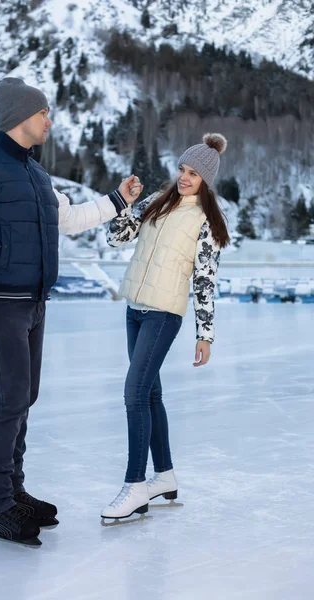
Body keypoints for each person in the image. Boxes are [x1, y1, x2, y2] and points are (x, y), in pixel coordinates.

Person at [0, 77, 143, 545]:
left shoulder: (36, 174)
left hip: (33, 302)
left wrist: (118, 201)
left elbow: (67, 220)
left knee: (23, 399)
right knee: (8, 400)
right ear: (20, 118)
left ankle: (14, 488)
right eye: (44, 114)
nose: (49, 121)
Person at [101, 133, 230, 520]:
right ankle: (166, 476)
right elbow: (115, 237)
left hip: (162, 314)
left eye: (193, 173)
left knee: (135, 393)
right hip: (135, 310)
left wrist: (204, 334)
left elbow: (204, 280)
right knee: (150, 394)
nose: (184, 178)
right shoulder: (156, 202)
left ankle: (136, 485)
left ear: (206, 180)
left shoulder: (206, 221)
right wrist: (124, 202)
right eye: (182, 169)